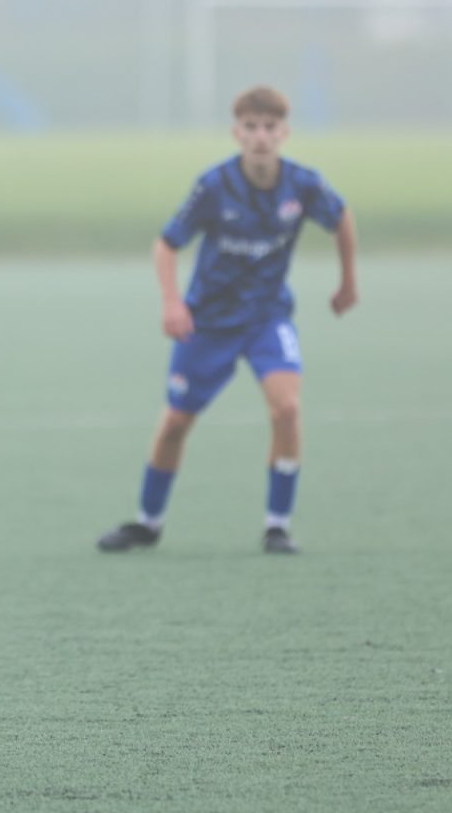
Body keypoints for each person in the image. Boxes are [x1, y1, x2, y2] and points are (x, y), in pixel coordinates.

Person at [96, 85, 358, 555]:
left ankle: (277, 525)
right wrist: (172, 302)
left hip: (267, 318)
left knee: (287, 409)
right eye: (251, 127)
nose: (261, 137)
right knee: (176, 422)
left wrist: (348, 282)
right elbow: (166, 245)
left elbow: (341, 218)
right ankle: (147, 523)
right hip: (208, 322)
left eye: (270, 127)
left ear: (284, 133)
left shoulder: (302, 184)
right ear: (237, 133)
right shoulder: (214, 186)